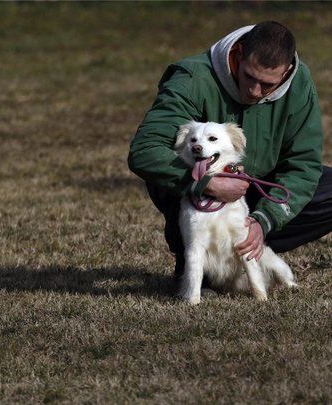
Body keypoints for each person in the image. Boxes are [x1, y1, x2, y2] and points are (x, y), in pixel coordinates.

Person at [128, 21, 331, 287]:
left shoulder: (300, 82)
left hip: (258, 189)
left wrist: (264, 219)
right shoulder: (193, 78)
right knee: (166, 175)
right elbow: (145, 149)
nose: (255, 91)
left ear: (287, 72)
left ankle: (246, 250)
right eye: (249, 77)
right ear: (238, 53)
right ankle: (195, 266)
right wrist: (206, 183)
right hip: (196, 187)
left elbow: (303, 163)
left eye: (267, 85)